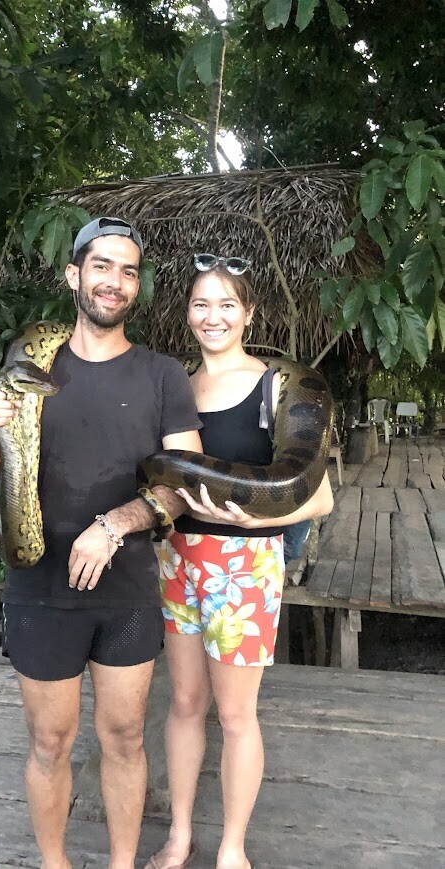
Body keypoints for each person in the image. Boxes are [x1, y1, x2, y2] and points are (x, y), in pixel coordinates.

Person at [0, 217, 203, 869]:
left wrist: (116, 523)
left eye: (128, 270)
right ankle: (55, 862)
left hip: (127, 587)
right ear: (74, 275)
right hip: (39, 586)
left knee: (124, 735)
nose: (115, 280)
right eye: (102, 265)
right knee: (49, 739)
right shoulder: (30, 367)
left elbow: (182, 487)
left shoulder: (162, 377)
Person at [146, 254, 334, 869]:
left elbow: (321, 496)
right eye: (201, 304)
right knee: (183, 704)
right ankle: (179, 836)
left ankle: (232, 848)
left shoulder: (277, 386)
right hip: (181, 557)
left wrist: (260, 519)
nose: (213, 316)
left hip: (245, 563)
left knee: (235, 713)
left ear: (249, 313)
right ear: (187, 314)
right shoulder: (175, 386)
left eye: (227, 304)